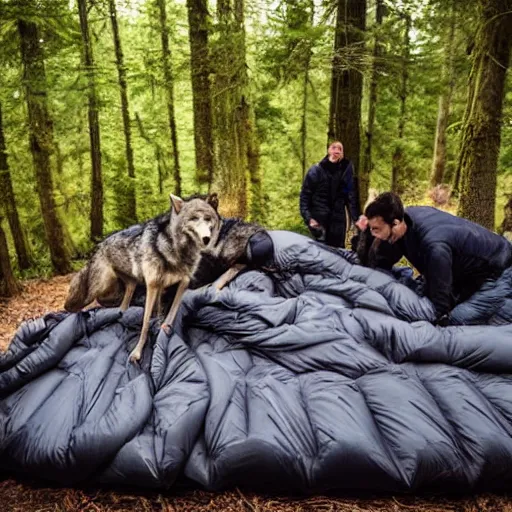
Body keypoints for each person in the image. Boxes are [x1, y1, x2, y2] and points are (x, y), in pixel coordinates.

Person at [357, 192, 512, 323]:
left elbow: (439, 308)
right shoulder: (402, 223)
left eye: (376, 229)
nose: (373, 234)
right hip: (463, 271)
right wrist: (364, 236)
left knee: (456, 320)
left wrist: (437, 318)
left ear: (395, 223)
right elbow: (379, 261)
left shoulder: (435, 247)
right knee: (421, 293)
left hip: (497, 271)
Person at [299, 141, 363, 248]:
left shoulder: (346, 173)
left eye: (340, 149)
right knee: (320, 254)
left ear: (342, 154)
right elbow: (304, 197)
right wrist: (309, 218)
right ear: (329, 150)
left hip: (338, 223)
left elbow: (351, 198)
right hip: (319, 222)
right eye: (334, 148)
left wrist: (356, 220)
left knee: (337, 254)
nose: (336, 150)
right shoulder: (316, 171)